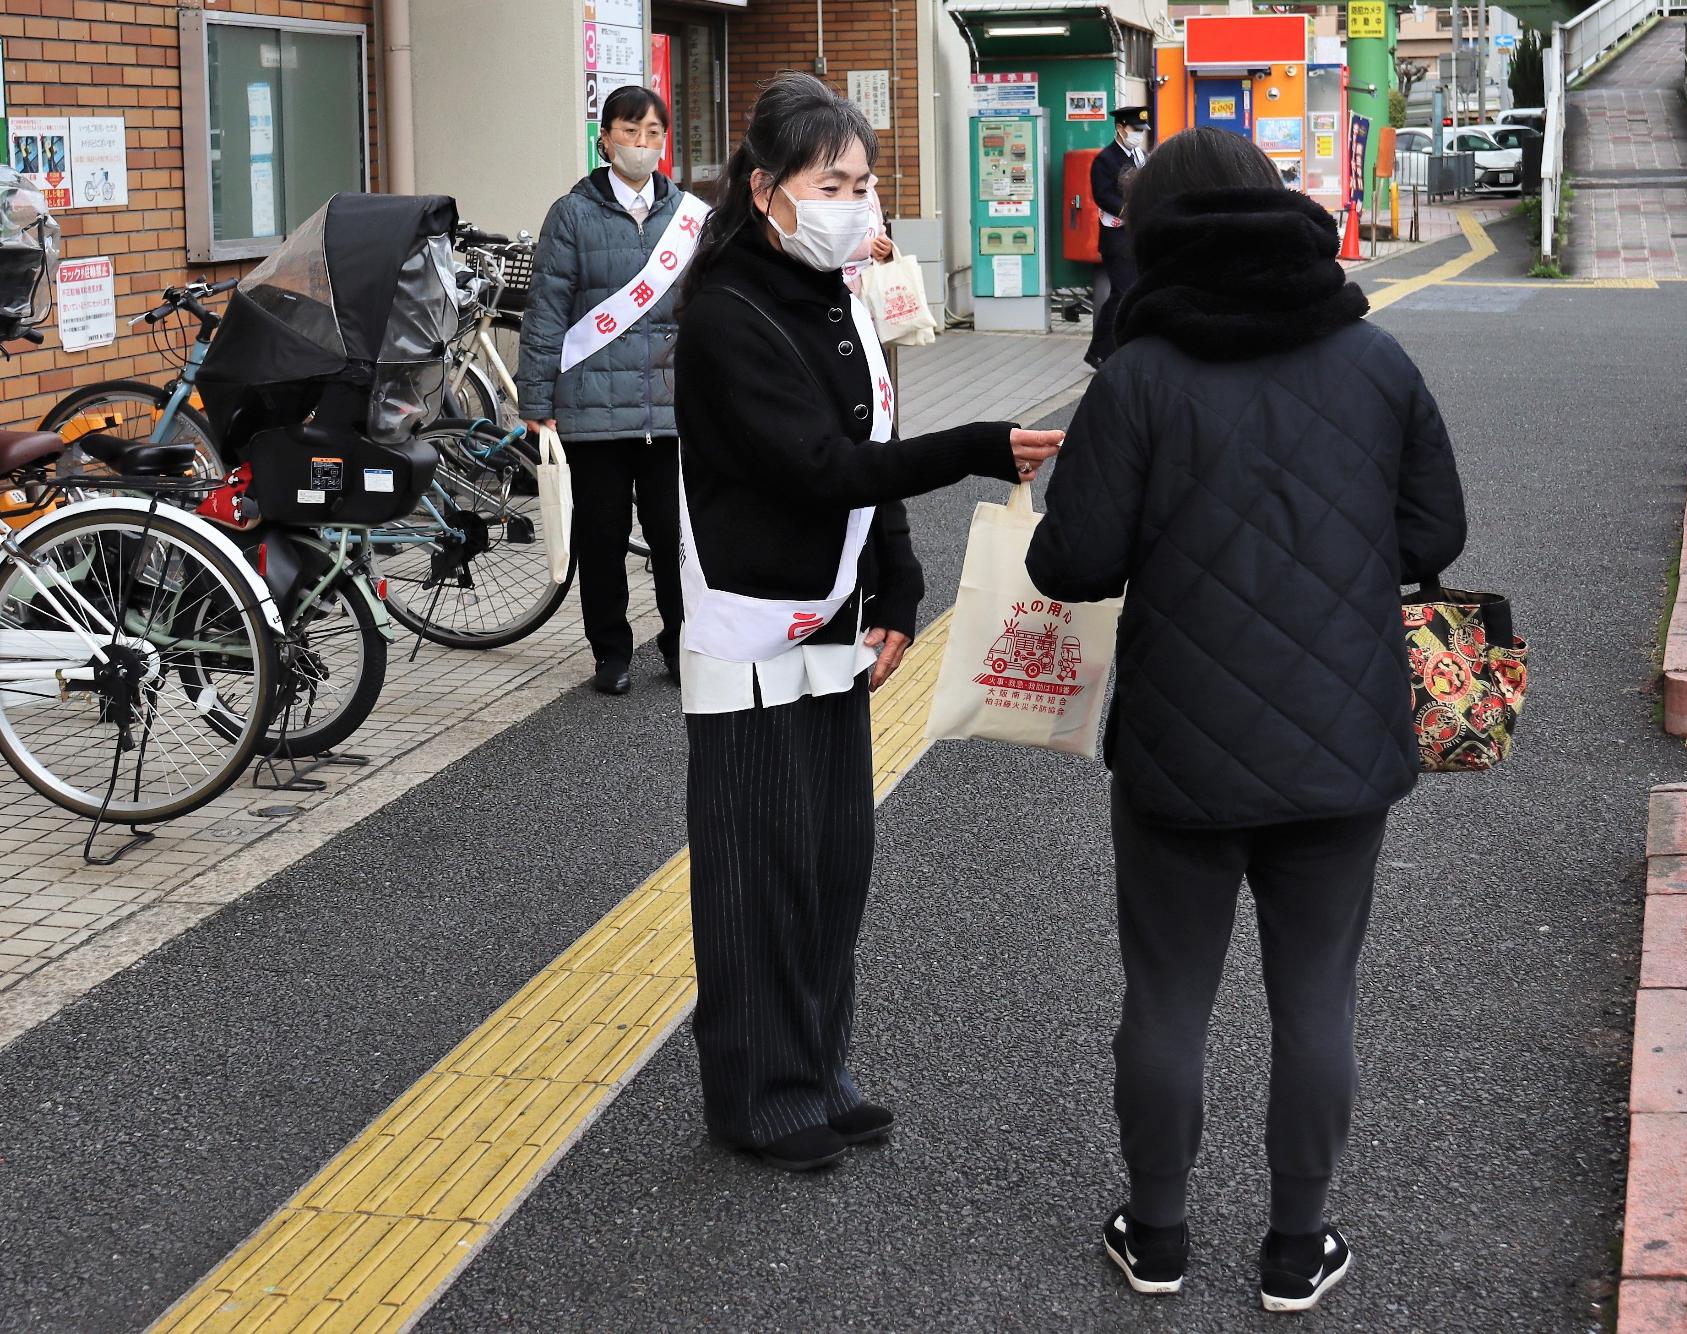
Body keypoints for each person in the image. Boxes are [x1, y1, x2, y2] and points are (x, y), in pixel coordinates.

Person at [1025, 127, 1467, 1313]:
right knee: (1316, 995)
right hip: (1343, 738)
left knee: (1165, 994)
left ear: (1156, 235)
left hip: (1179, 746)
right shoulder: (1373, 360)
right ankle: (1294, 1245)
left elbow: (1069, 564)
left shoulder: (1137, 377)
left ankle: (1157, 1233)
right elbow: (1433, 535)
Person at [672, 72, 1064, 1173]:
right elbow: (820, 466)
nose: (856, 201)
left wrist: (896, 590)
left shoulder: (839, 287)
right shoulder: (726, 313)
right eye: (830, 181)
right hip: (749, 627)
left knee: (832, 857)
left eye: (864, 180)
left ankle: (816, 1068)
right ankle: (756, 1092)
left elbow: (868, 455)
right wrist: (979, 445)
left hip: (834, 617)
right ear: (764, 190)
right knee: (756, 868)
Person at [518, 85, 689, 696]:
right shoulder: (572, 214)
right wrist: (536, 402)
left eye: (652, 134)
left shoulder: (687, 217)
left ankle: (680, 645)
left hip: (671, 410)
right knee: (602, 537)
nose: (641, 145)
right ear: (605, 138)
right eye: (629, 132)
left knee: (676, 538)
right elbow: (545, 312)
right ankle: (611, 654)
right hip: (591, 408)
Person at [1083, 106, 1149, 370]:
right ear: (1121, 128)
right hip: (1116, 238)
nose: (1139, 136)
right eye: (1135, 130)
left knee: (1132, 292)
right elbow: (1103, 196)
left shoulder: (1141, 156)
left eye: (1142, 131)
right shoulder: (1105, 159)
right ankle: (1099, 352)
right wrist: (1132, 210)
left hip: (1135, 236)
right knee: (1122, 293)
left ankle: (1123, 346)